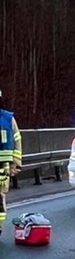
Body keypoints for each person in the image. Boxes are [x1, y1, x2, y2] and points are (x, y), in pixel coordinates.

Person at [0, 89, 22, 237]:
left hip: (3, 167)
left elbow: (17, 141)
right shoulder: (7, 119)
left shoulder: (8, 119)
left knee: (0, 198)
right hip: (4, 166)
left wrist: (16, 164)